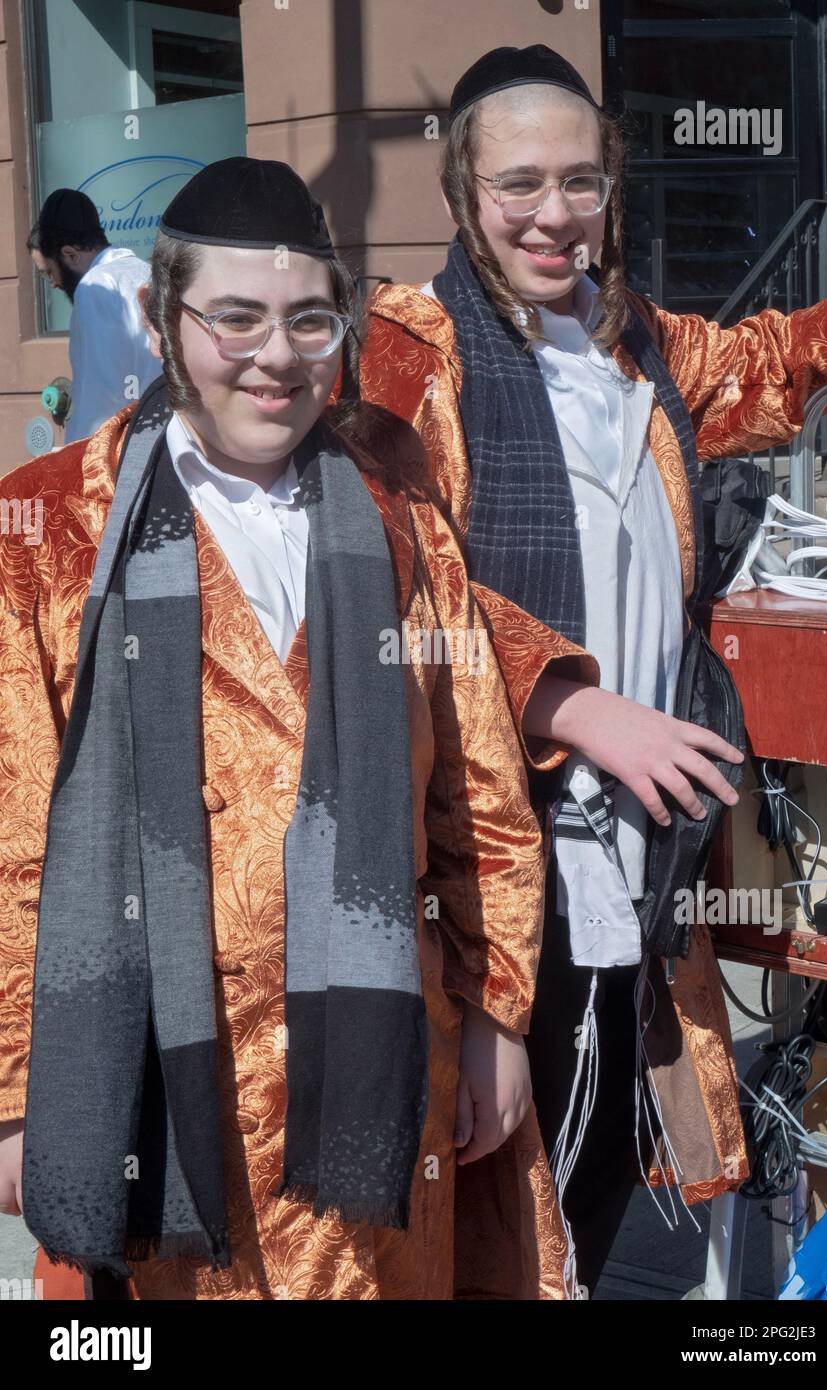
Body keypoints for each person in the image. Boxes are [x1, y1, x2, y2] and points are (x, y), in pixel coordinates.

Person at [0, 156, 596, 1301]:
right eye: (235, 319)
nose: (276, 358)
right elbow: (14, 837)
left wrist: (495, 1014)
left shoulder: (394, 506)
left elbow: (476, 789)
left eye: (307, 321)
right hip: (169, 1087)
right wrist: (23, 1090)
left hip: (386, 1081)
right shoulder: (50, 536)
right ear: (162, 320)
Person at [358, 44, 827, 1295]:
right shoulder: (405, 352)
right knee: (479, 1200)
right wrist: (576, 705)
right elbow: (386, 580)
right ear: (461, 191)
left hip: (635, 862)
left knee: (581, 1190)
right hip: (478, 867)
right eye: (518, 182)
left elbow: (782, 361)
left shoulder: (636, 346)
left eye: (580, 181)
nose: (553, 214)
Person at [27, 188, 161, 442]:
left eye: (48, 272)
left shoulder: (94, 287)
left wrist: (74, 471)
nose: (53, 284)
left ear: (70, 254)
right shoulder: (147, 273)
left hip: (123, 455)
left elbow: (97, 405)